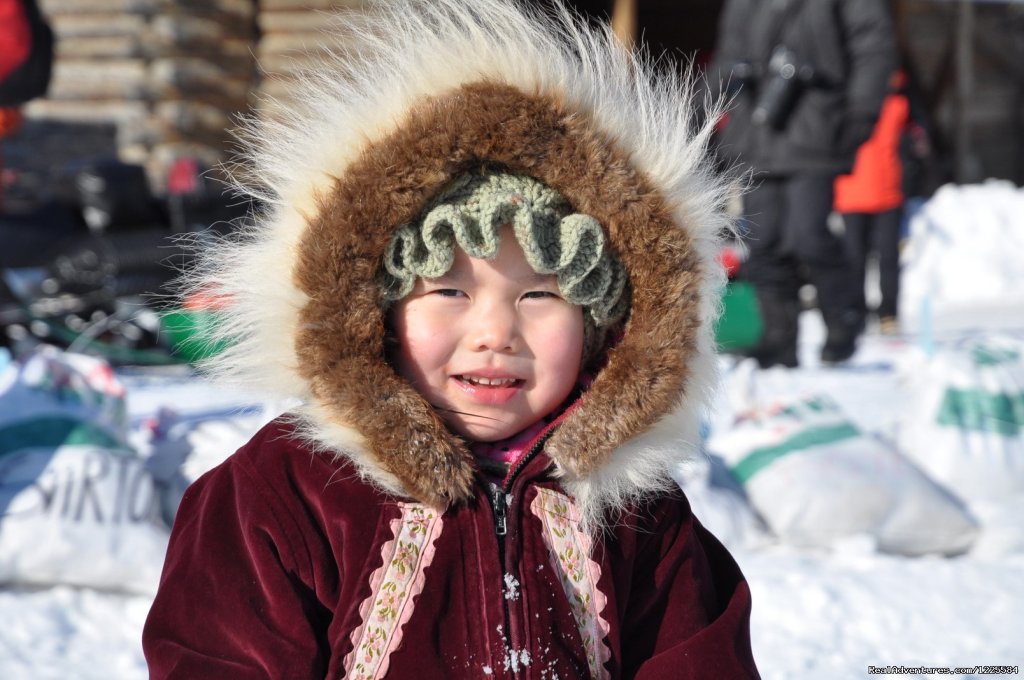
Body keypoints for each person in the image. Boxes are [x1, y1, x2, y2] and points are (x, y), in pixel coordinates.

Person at [142, 1, 760, 678]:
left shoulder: (639, 514)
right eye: (448, 291)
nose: (495, 332)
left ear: (600, 324)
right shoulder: (284, 495)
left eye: (540, 295)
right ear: (373, 310)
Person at [710, 0, 896, 367]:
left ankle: (843, 320)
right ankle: (778, 339)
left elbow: (873, 48)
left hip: (815, 128)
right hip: (755, 133)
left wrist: (861, 113)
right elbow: (727, 59)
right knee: (763, 244)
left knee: (808, 235)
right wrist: (699, 117)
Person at [834, 69, 922, 336]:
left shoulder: (896, 102)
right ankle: (875, 314)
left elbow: (917, 142)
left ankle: (874, 314)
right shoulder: (897, 101)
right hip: (859, 190)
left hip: (879, 190)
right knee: (870, 257)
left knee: (877, 257)